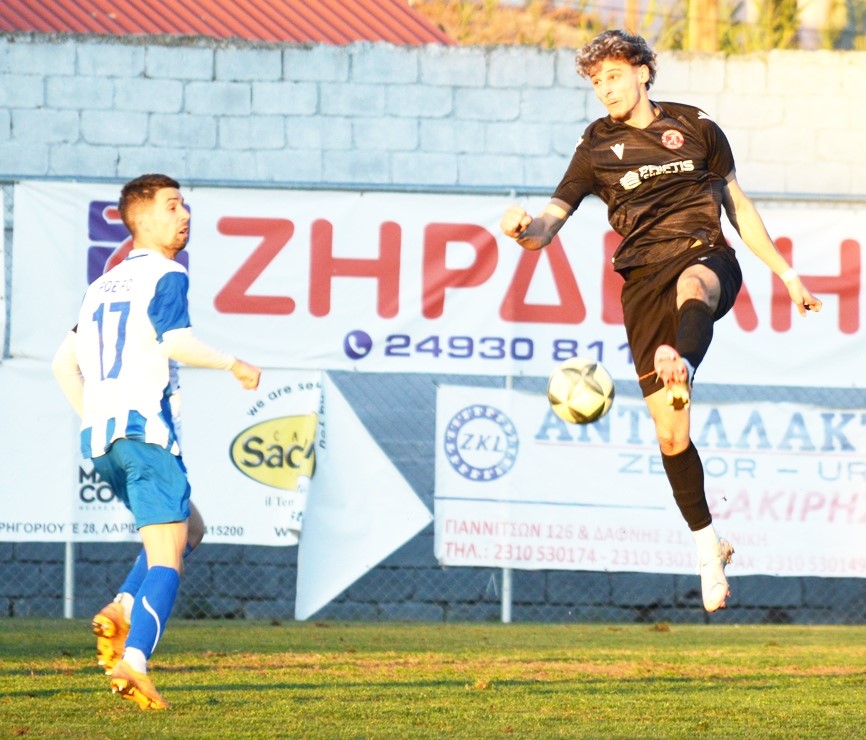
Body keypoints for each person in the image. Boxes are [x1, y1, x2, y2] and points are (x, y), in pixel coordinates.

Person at [500, 30, 822, 613]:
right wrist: (524, 232)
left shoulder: (696, 126)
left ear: (643, 72)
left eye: (614, 76)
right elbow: (549, 223)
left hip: (704, 253)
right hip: (643, 282)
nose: (605, 89)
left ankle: (683, 362)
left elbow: (738, 207)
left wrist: (787, 274)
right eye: (596, 82)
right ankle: (708, 548)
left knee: (694, 285)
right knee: (672, 435)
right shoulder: (595, 146)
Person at [52, 173, 261, 709]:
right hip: (146, 436)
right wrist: (234, 364)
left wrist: (97, 417)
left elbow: (62, 365)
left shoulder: (101, 286)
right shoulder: (168, 273)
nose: (184, 215)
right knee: (168, 561)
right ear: (140, 219)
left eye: (184, 205)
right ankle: (135, 660)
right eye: (172, 206)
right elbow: (178, 342)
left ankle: (122, 606)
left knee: (192, 528)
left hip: (103, 444)